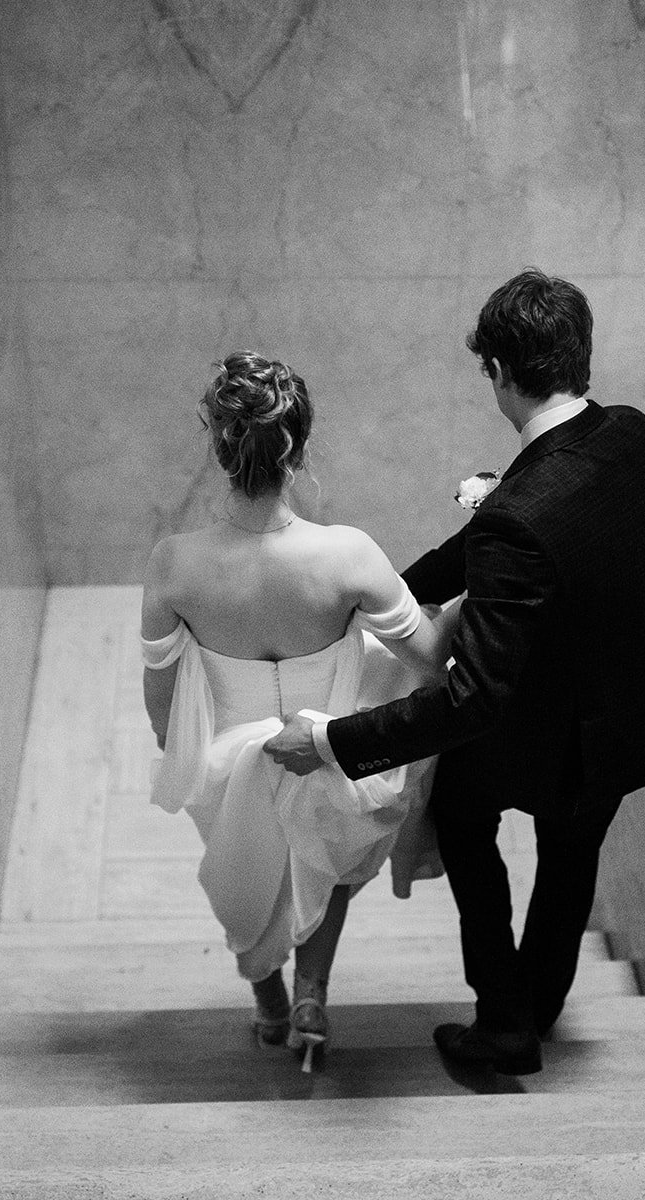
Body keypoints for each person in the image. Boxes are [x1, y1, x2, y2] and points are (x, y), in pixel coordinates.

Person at [266, 268, 645, 1075]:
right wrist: (382, 595)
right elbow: (503, 538)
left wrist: (331, 742)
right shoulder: (632, 434)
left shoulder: (516, 518)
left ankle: (503, 1021)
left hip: (537, 738)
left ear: (499, 372)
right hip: (622, 723)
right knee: (572, 860)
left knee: (459, 811)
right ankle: (540, 1003)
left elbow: (471, 698)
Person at [140, 351, 457, 1071]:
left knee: (245, 867)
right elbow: (427, 659)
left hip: (228, 756)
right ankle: (312, 991)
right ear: (300, 448)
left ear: (219, 447)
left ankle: (271, 1004)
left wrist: (176, 749)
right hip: (332, 745)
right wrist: (470, 595)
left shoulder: (174, 563)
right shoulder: (348, 554)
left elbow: (160, 695)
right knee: (330, 858)